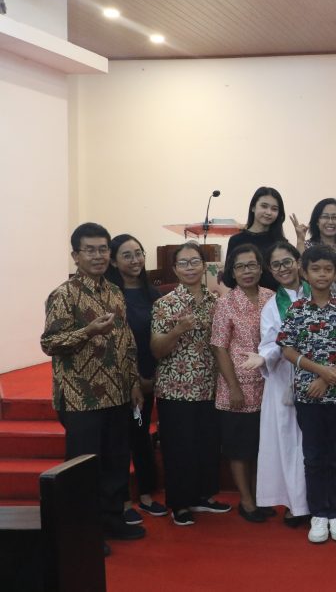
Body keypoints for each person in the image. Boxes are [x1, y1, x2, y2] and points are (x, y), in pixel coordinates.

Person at [41, 222, 146, 543]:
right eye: (90, 250)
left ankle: (112, 520)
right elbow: (50, 343)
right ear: (76, 255)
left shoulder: (114, 292)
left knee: (116, 462)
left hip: (117, 392)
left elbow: (127, 341)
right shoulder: (63, 295)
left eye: (103, 249)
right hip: (80, 397)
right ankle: (83, 536)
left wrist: (133, 382)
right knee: (83, 469)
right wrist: (88, 332)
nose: (98, 256)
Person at [278, 244, 336, 543]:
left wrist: (331, 376)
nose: (322, 274)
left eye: (328, 269)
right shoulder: (297, 309)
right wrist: (318, 371)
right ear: (305, 272)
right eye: (315, 269)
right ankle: (318, 514)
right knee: (314, 456)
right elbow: (287, 349)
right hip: (309, 396)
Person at [151, 242, 229, 526]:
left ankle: (202, 496)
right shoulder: (164, 304)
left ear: (204, 265)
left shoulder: (215, 302)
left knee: (207, 445)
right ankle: (179, 503)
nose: (190, 267)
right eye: (183, 263)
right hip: (176, 388)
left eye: (194, 261)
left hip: (209, 386)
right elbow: (156, 349)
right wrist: (178, 330)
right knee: (178, 448)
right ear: (175, 269)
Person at [248, 241, 311, 528]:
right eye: (276, 265)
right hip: (285, 379)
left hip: (320, 377)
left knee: (315, 441)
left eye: (287, 261)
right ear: (270, 271)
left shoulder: (318, 293)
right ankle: (295, 504)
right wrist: (264, 358)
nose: (283, 268)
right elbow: (270, 343)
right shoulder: (272, 306)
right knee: (288, 442)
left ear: (298, 262)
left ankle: (320, 500)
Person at [105, 234, 167, 522]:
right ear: (113, 261)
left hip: (148, 377)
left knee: (141, 436)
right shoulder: (109, 295)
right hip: (117, 379)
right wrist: (132, 378)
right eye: (127, 255)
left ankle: (146, 495)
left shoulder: (152, 294)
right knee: (118, 441)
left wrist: (149, 376)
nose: (135, 260)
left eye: (138, 253)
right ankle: (123, 501)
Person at [211, 243, 274, 522]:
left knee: (261, 447)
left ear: (260, 268)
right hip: (236, 388)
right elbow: (219, 347)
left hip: (268, 385)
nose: (247, 271)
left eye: (252, 265)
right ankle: (247, 502)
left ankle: (261, 497)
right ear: (232, 272)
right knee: (240, 449)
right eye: (240, 267)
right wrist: (234, 387)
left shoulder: (272, 297)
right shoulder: (225, 303)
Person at [293, 198, 336, 299]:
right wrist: (300, 240)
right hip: (313, 304)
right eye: (325, 217)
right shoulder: (306, 246)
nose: (330, 222)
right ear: (317, 221)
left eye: (335, 217)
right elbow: (300, 271)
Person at [227, 186, 287, 290]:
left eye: (274, 209)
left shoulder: (281, 242)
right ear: (253, 207)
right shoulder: (236, 240)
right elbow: (228, 278)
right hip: (246, 297)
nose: (268, 212)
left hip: (277, 297)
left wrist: (300, 240)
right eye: (264, 206)